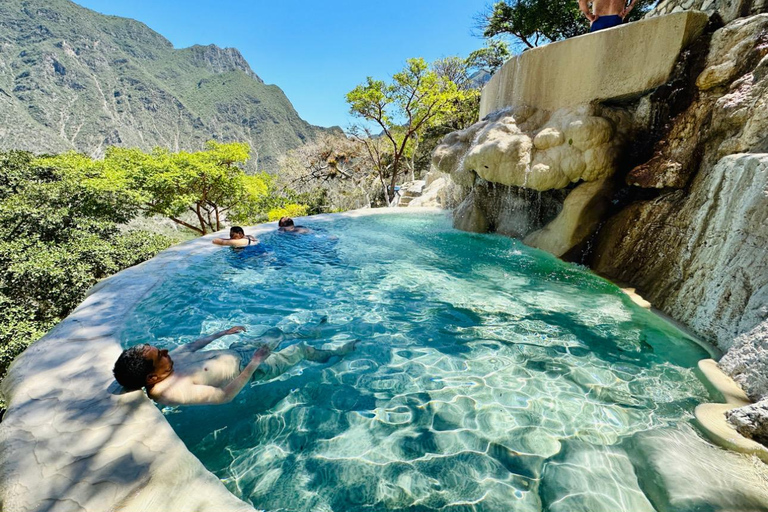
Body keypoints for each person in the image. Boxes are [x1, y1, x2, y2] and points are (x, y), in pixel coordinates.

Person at [113, 325, 357, 406]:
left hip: (238, 350)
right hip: (252, 366)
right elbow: (223, 396)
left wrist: (222, 333)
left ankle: (317, 332)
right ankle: (335, 353)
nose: (166, 352)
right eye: (160, 356)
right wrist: (255, 363)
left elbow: (192, 346)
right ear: (152, 378)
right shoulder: (169, 391)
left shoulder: (169, 363)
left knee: (277, 332)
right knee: (300, 351)